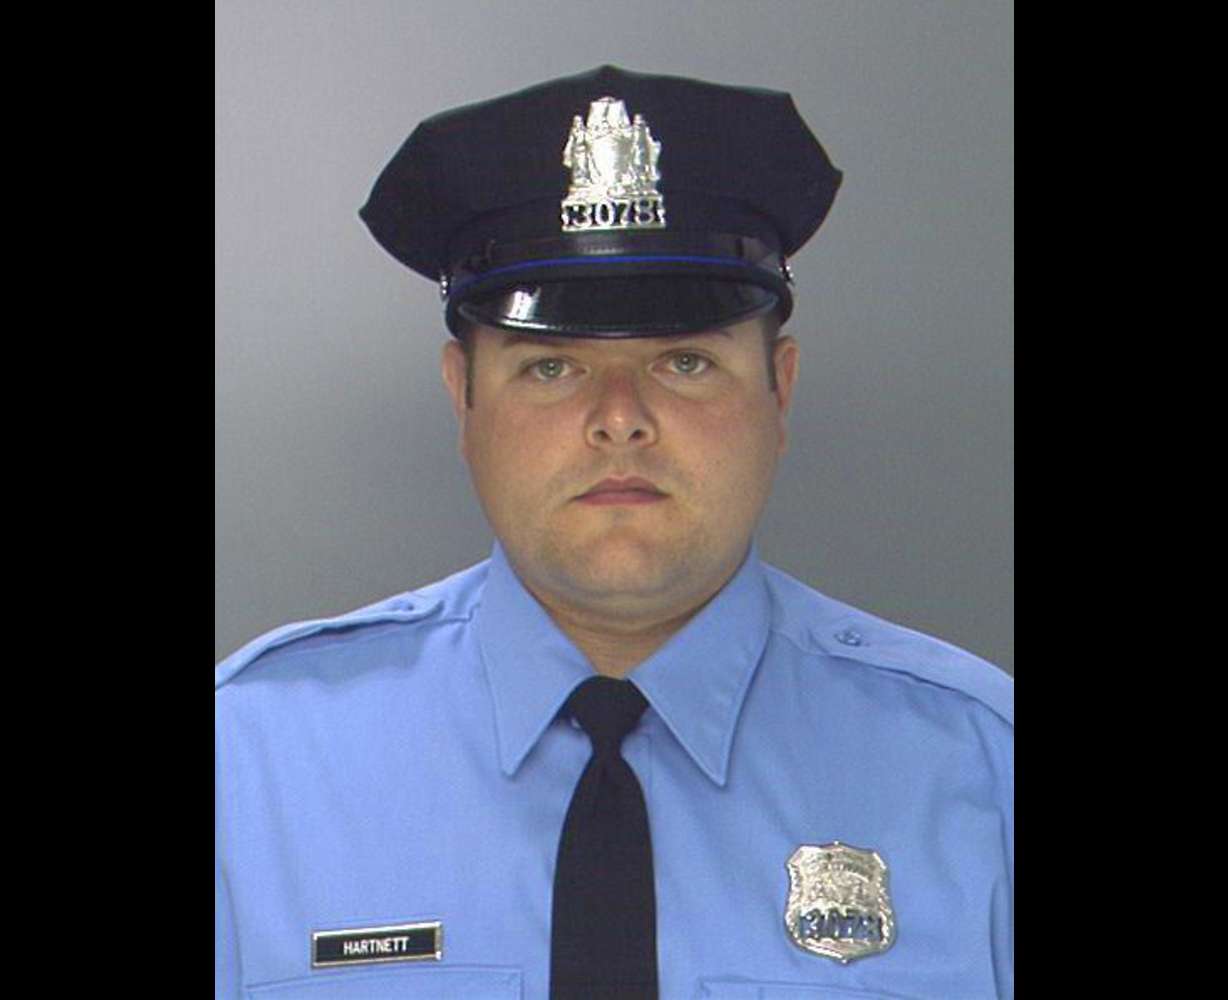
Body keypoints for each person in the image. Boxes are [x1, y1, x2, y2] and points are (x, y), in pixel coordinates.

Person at [215, 65, 1013, 999]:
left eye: (685, 360)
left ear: (779, 391)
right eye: (551, 367)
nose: (621, 419)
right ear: (461, 398)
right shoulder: (250, 765)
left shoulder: (978, 770)